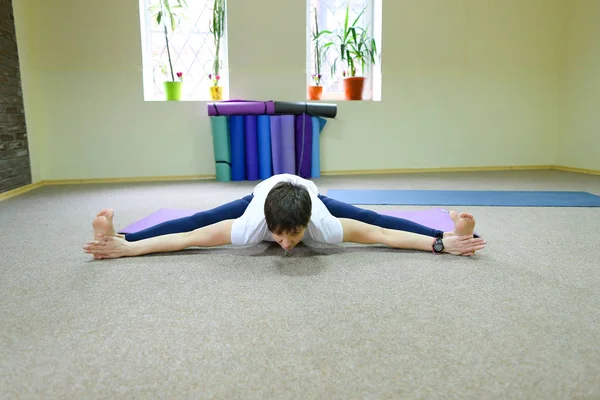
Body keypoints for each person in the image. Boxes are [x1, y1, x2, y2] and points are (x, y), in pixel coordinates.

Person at [83, 174, 487, 259]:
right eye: (280, 238)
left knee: (369, 214)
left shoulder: (323, 225)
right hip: (264, 191)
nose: (288, 245)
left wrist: (439, 243)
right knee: (199, 217)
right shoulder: (249, 225)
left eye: (293, 237)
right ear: (268, 227)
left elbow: (380, 231)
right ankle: (123, 236)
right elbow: (187, 236)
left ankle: (449, 229)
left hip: (307, 190)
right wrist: (129, 249)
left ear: (307, 223)